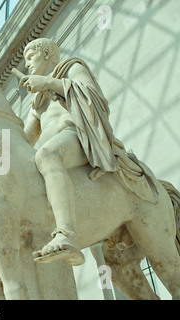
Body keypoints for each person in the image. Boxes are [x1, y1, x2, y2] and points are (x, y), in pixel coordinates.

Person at [19, 38, 157, 266]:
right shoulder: (38, 100)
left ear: (46, 54)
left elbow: (93, 97)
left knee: (46, 155)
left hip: (78, 139)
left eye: (30, 58)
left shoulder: (71, 68)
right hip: (55, 149)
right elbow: (26, 138)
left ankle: (67, 233)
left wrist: (49, 83)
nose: (27, 65)